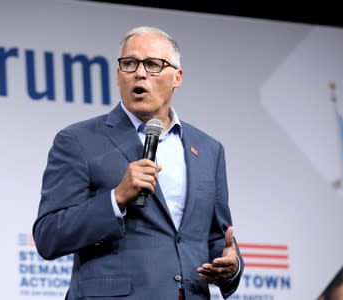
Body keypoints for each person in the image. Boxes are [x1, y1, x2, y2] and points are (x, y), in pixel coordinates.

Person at [32, 26, 244, 300]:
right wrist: (116, 198)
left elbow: (217, 237)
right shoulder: (78, 140)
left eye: (153, 64)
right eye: (129, 63)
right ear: (119, 75)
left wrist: (232, 265)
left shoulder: (208, 150)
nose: (139, 73)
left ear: (177, 77)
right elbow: (49, 236)